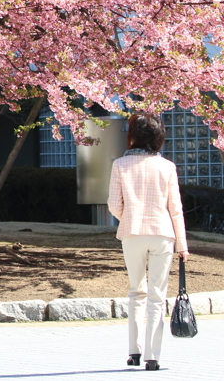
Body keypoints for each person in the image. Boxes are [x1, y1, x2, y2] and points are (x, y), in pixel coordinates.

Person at [108, 111, 189, 372]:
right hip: (162, 233)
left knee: (136, 292)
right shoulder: (167, 167)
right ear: (158, 137)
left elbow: (113, 205)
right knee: (157, 296)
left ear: (133, 136)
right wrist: (183, 245)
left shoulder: (120, 165)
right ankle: (153, 357)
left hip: (132, 233)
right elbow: (175, 209)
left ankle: (134, 352)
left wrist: (129, 216)